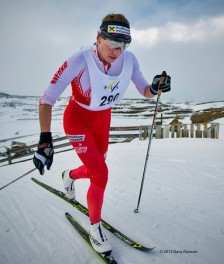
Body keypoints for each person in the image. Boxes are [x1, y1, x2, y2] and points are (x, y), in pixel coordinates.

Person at [33, 13, 171, 255]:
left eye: (123, 45)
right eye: (112, 44)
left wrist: (155, 87)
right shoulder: (79, 59)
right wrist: (45, 138)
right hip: (77, 119)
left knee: (97, 170)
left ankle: (70, 176)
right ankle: (95, 229)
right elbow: (47, 98)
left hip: (102, 120)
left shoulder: (129, 60)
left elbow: (144, 89)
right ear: (98, 38)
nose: (117, 52)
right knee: (101, 173)